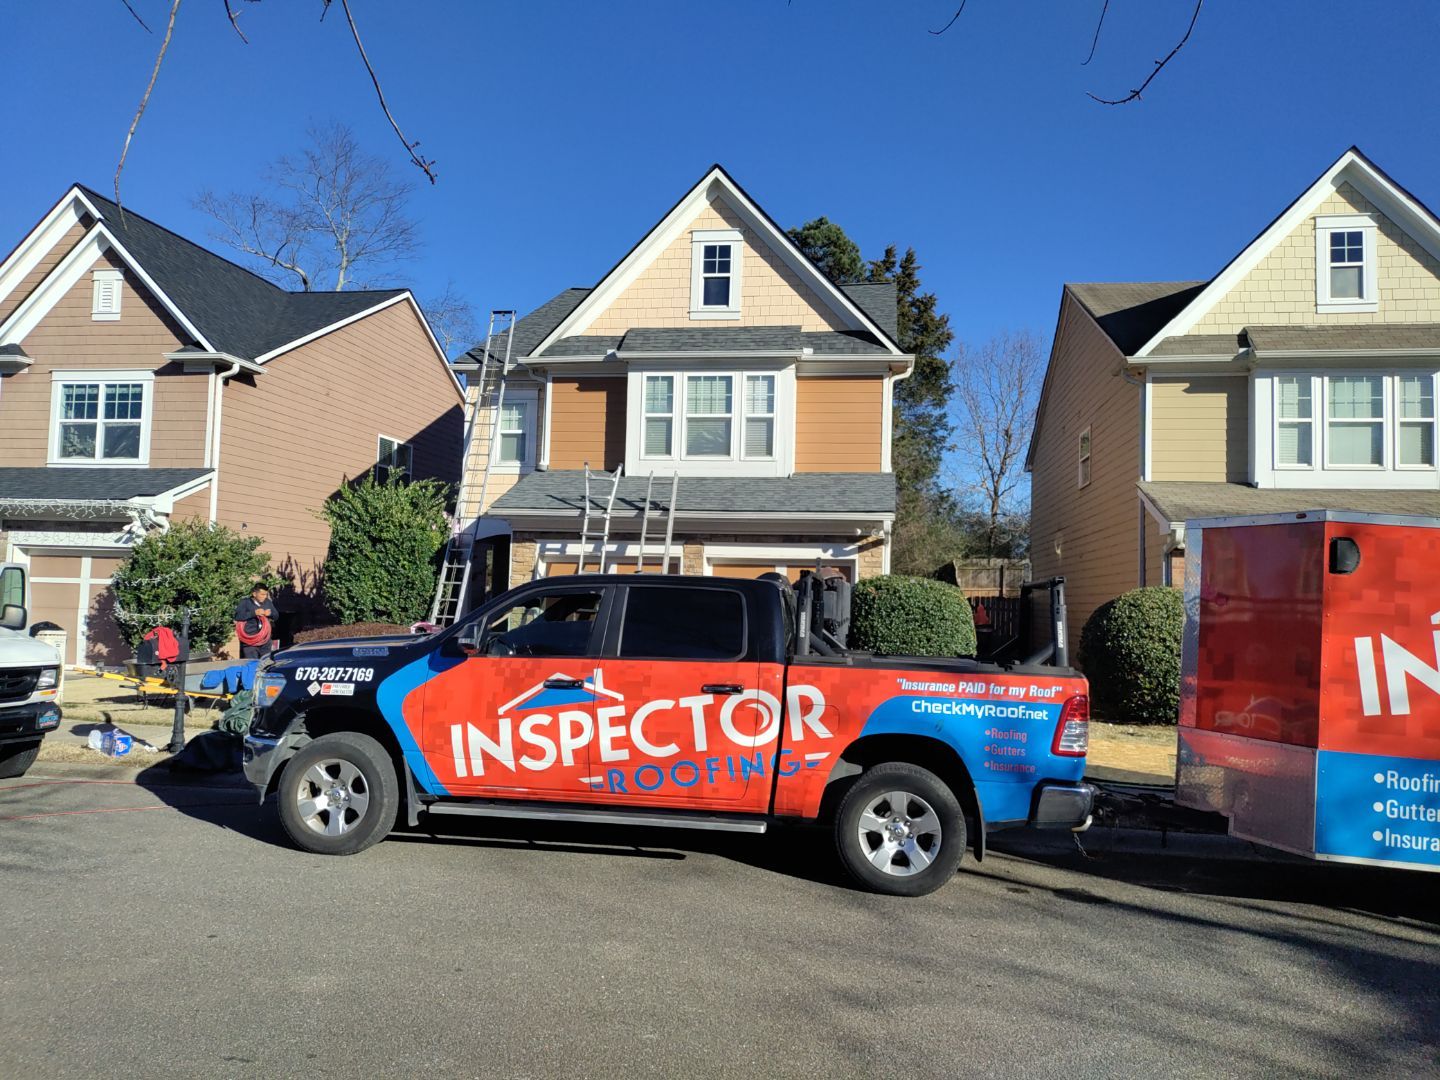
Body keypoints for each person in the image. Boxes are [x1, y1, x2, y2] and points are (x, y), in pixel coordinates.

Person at [234, 583, 278, 659]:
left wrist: (270, 614)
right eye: (262, 594)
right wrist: (254, 613)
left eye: (266, 595)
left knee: (265, 662)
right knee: (252, 663)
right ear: (254, 594)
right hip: (250, 642)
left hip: (265, 641)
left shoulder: (267, 602)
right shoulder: (245, 602)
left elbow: (276, 616)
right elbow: (238, 616)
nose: (264, 597)